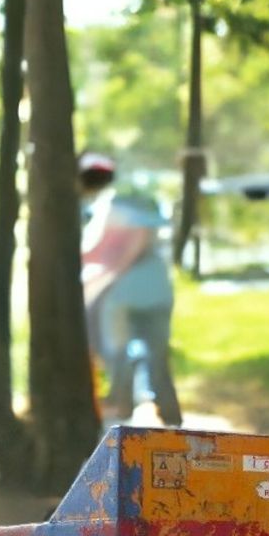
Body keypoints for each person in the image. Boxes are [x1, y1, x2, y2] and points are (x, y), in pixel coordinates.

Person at [78, 150, 182, 426]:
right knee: (156, 357)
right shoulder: (138, 201)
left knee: (118, 354)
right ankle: (170, 418)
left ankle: (122, 415)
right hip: (156, 290)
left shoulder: (110, 204)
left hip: (123, 294)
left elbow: (99, 251)